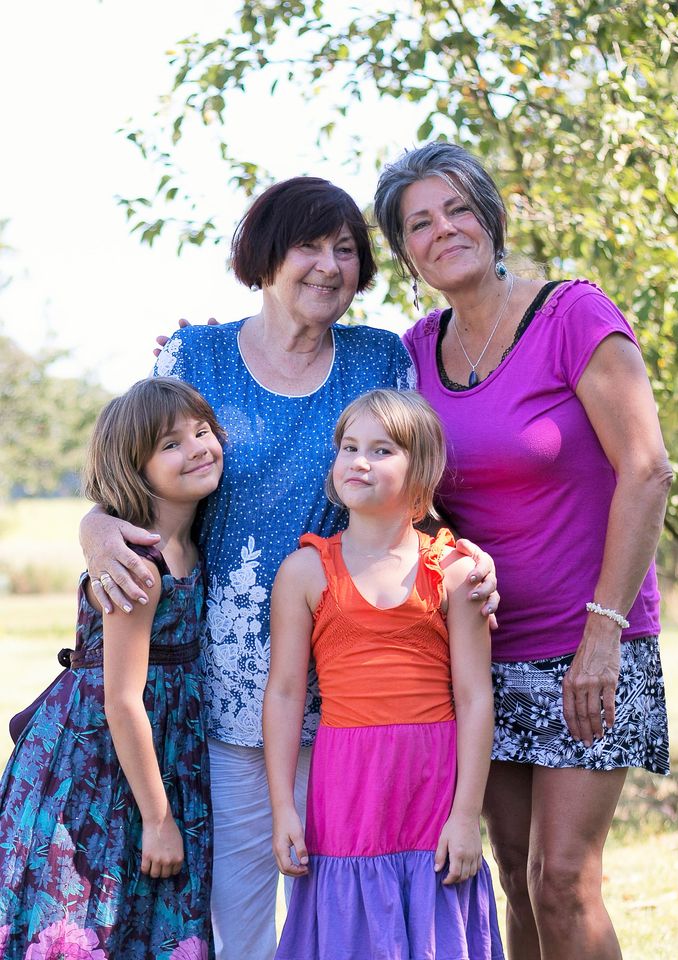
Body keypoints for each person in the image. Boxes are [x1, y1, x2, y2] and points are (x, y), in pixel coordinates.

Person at [78, 177, 500, 960]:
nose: (328, 265)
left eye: (345, 249)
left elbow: (412, 481)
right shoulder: (196, 355)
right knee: (241, 913)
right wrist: (95, 526)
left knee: (355, 907)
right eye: (308, 245)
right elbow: (134, 470)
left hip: (357, 694)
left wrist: (464, 555)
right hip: (229, 685)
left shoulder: (381, 356)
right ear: (266, 254)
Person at [373, 141, 672, 960]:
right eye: (419, 224)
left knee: (563, 879)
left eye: (457, 209)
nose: (443, 230)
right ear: (405, 253)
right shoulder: (411, 353)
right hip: (480, 654)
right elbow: (392, 482)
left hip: (590, 643)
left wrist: (603, 632)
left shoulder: (572, 314)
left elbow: (646, 469)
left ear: (490, 216)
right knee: (513, 872)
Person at [264, 389, 504, 960]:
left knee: (435, 921)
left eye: (381, 450)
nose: (359, 461)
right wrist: (283, 808)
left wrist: (466, 816)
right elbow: (286, 693)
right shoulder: (304, 572)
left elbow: (475, 697)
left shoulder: (453, 572)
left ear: (421, 473)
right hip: (347, 784)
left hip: (431, 782)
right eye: (349, 447)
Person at [0, 378, 224, 959]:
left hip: (160, 749)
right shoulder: (138, 567)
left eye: (202, 432)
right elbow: (123, 700)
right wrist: (158, 817)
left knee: (142, 911)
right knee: (90, 906)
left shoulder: (192, 541)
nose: (198, 448)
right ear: (134, 467)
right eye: (171, 444)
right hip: (101, 761)